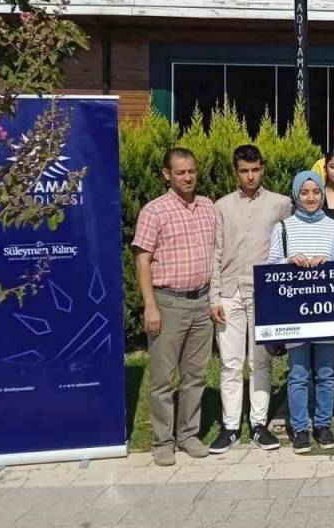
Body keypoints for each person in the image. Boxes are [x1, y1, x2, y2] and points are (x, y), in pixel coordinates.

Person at [132, 148, 215, 466]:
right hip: (168, 303)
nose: (188, 177)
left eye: (192, 170)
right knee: (164, 378)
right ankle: (163, 440)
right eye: (181, 172)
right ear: (167, 174)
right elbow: (142, 260)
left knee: (195, 376)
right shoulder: (154, 211)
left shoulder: (207, 207)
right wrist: (149, 306)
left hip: (202, 301)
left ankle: (188, 435)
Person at [208, 145, 291, 453]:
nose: (250, 176)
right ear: (236, 172)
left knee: (261, 362)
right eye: (244, 171)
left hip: (263, 293)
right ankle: (230, 427)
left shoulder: (281, 204)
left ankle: (258, 424)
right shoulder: (222, 206)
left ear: (263, 168)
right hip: (229, 292)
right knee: (230, 364)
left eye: (255, 169)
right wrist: (213, 296)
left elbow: (287, 248)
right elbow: (215, 253)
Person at [270, 171, 334, 454]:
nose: (310, 198)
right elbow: (270, 265)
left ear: (322, 194)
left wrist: (330, 262)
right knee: (298, 373)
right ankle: (300, 428)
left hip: (328, 311)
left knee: (326, 372)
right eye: (304, 193)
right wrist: (288, 261)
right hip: (295, 314)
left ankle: (322, 424)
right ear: (296, 195)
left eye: (315, 192)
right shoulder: (283, 228)